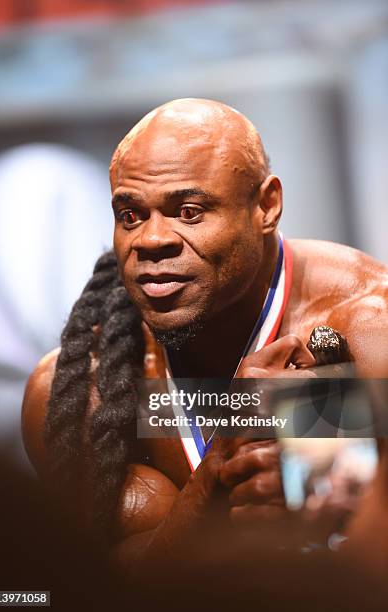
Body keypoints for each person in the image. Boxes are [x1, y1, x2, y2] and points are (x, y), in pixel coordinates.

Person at [21, 99, 388, 571]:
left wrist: (331, 477)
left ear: (266, 206)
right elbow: (98, 588)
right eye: (131, 214)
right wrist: (217, 474)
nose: (151, 240)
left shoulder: (369, 330)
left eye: (189, 211)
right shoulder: (76, 394)